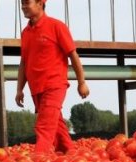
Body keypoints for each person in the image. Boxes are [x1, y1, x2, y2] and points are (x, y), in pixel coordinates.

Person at [16, 0, 90, 154]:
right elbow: (24, 62)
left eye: (26, 3)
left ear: (40, 3)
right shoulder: (25, 32)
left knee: (44, 126)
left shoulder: (56, 26)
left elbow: (73, 55)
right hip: (36, 88)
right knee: (57, 128)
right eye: (22, 3)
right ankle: (70, 156)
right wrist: (19, 89)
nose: (23, 6)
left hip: (54, 85)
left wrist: (81, 82)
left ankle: (37, 161)